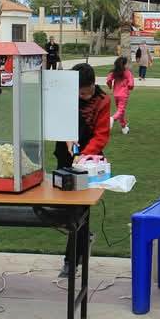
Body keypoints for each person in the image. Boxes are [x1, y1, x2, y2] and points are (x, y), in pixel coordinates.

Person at [55, 63, 111, 278]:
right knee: (63, 208)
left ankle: (70, 261)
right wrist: (66, 135)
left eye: (86, 93)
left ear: (93, 85)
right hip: (64, 154)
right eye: (79, 93)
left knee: (79, 210)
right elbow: (57, 119)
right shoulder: (64, 95)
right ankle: (83, 240)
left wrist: (84, 155)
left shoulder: (103, 100)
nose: (83, 97)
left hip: (89, 160)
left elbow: (102, 134)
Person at [105, 56, 134, 135]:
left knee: (120, 111)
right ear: (124, 64)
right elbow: (131, 84)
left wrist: (110, 86)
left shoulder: (114, 72)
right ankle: (112, 119)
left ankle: (124, 127)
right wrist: (128, 87)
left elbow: (108, 80)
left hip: (116, 94)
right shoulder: (127, 72)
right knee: (121, 110)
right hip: (123, 94)